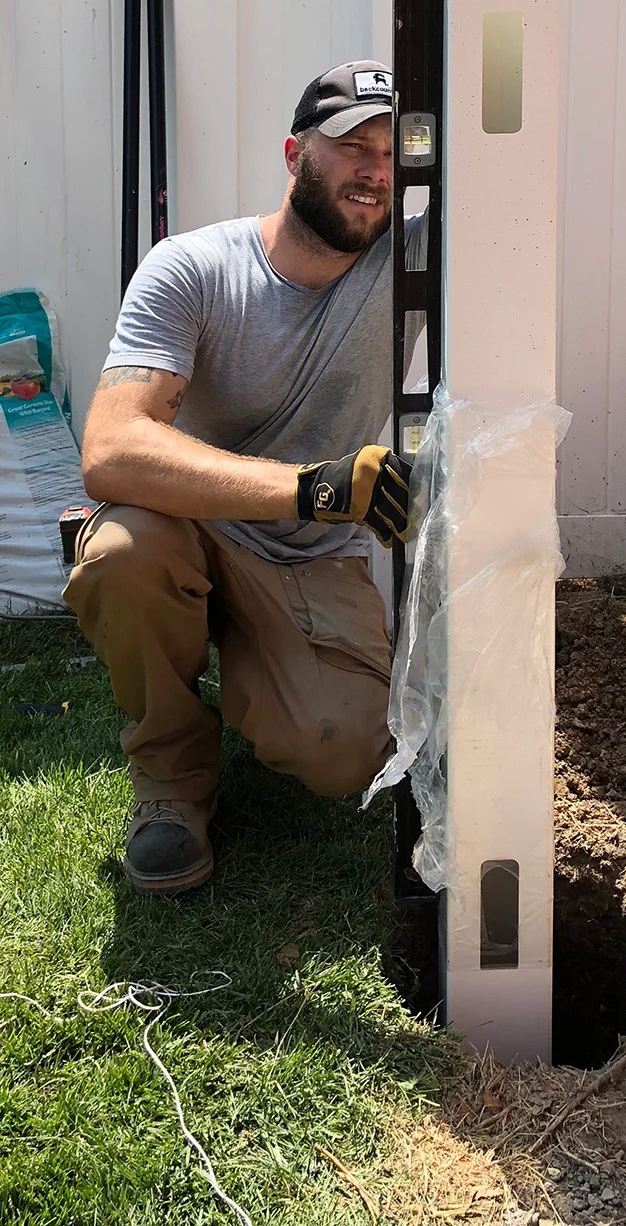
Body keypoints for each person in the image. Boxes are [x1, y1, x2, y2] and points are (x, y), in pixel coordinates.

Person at [64, 61, 425, 897]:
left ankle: (254, 671)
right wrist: (313, 487)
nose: (374, 169)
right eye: (351, 146)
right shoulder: (193, 268)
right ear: (296, 155)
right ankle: (170, 776)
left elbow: (506, 174)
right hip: (187, 535)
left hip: (306, 560)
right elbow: (110, 447)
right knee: (121, 552)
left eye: (389, 151)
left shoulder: (410, 258)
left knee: (345, 747)